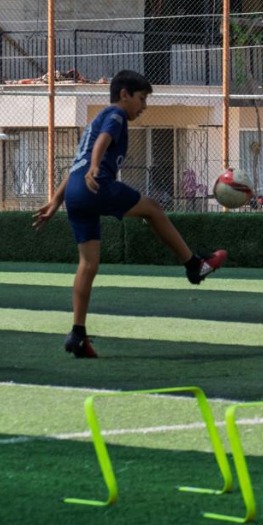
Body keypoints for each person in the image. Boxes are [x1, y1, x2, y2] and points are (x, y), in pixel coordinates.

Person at [33, 70, 226, 357]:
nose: (144, 106)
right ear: (125, 94)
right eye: (142, 98)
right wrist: (97, 167)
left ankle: (77, 333)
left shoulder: (94, 122)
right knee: (152, 208)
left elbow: (78, 164)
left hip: (75, 192)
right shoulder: (116, 115)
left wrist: (55, 201)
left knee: (87, 265)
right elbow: (102, 144)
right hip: (96, 185)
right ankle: (193, 264)